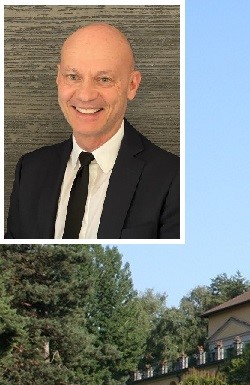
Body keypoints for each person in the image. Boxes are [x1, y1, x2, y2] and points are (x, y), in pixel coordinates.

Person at [5, 22, 179, 240]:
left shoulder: (173, 179)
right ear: (58, 78)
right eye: (73, 77)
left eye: (104, 79)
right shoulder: (30, 170)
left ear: (132, 85)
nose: (86, 95)